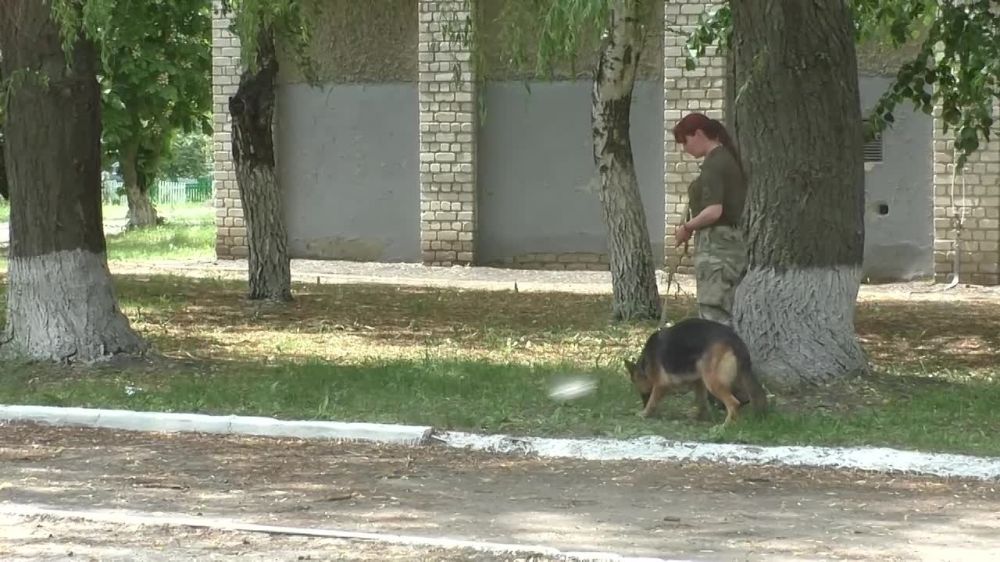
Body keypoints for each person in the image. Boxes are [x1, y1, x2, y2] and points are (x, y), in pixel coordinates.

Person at [671, 112, 748, 327]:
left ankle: (718, 349)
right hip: (730, 246)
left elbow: (714, 211)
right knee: (728, 310)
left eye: (684, 141)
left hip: (718, 249)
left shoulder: (715, 163)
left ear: (698, 134)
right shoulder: (725, 158)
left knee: (714, 312)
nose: (684, 148)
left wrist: (687, 227)